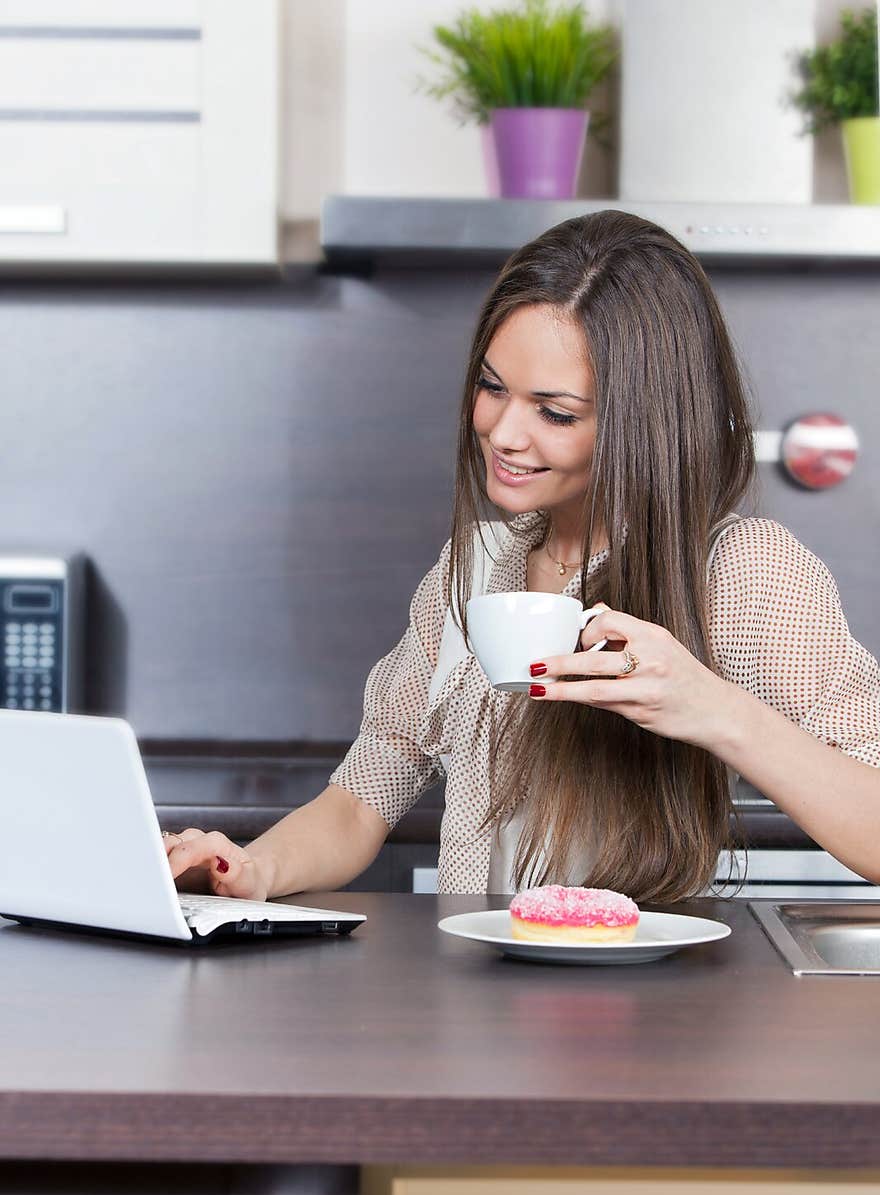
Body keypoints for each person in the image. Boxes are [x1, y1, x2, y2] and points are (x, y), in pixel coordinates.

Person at [164, 210, 880, 903]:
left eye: (555, 412)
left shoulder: (743, 574)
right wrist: (250, 870)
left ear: (647, 422)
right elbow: (363, 796)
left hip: (649, 1016)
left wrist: (713, 710)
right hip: (474, 1005)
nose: (503, 432)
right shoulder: (474, 564)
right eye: (491, 387)